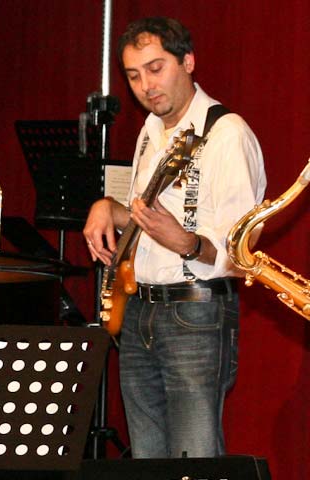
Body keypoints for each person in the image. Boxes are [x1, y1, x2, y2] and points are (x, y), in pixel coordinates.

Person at [82, 17, 266, 458]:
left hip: (196, 312)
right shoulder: (150, 130)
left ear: (188, 62)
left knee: (193, 460)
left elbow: (241, 249)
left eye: (155, 68)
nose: (146, 85)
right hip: (139, 308)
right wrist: (107, 208)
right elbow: (144, 219)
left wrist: (185, 242)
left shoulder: (226, 133)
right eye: (133, 75)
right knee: (147, 460)